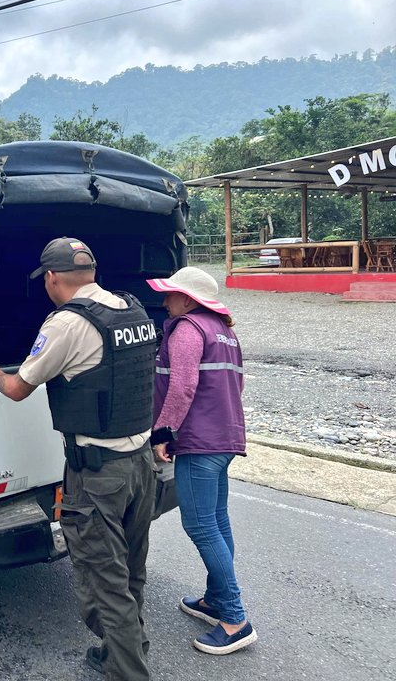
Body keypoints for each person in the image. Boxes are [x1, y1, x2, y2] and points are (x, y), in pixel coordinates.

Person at [0, 237, 159, 681]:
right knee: (130, 568)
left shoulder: (66, 324)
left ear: (52, 278)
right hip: (141, 464)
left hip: (98, 474)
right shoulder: (130, 308)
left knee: (103, 580)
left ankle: (129, 672)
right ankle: (122, 651)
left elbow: (18, 389)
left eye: (46, 281)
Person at [146, 266, 257, 655]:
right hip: (226, 437)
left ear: (189, 299)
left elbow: (183, 384)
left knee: (200, 525)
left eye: (171, 295)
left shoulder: (188, 329)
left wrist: (164, 431)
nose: (164, 301)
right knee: (218, 519)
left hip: (199, 442)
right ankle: (214, 598)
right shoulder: (225, 332)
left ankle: (234, 619)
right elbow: (234, 384)